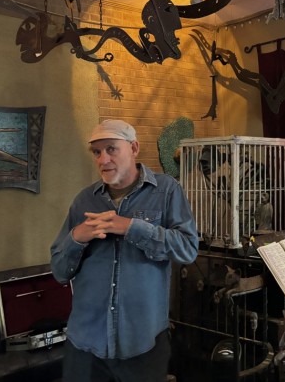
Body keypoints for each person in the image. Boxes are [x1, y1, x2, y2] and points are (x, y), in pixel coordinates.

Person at [51, 119, 199, 382]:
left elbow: (187, 249)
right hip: (85, 343)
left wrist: (131, 227)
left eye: (111, 149)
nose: (103, 159)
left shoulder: (166, 191)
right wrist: (77, 237)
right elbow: (60, 272)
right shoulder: (84, 201)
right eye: (97, 152)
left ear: (134, 148)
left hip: (143, 344)